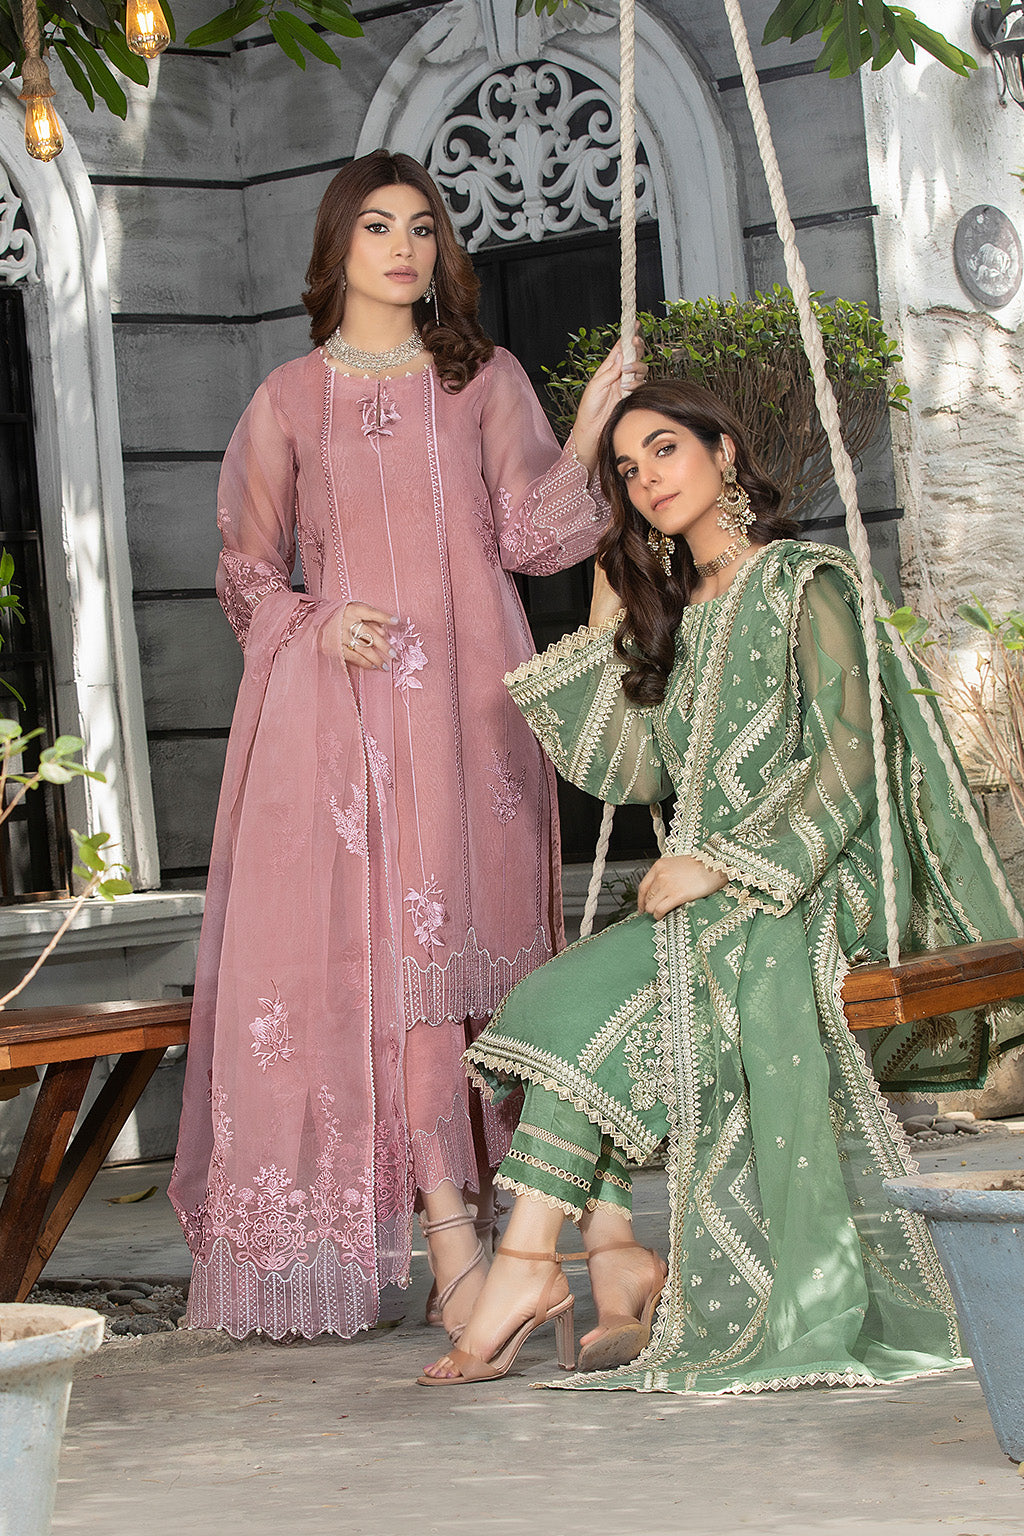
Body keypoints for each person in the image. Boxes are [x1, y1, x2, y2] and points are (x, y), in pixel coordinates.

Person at [420, 378, 1024, 1389]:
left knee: (591, 1014)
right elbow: (630, 773)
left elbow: (849, 756)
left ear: (724, 452)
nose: (647, 478)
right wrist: (610, 603)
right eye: (627, 469)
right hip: (703, 893)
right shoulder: (676, 612)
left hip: (811, 880)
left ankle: (533, 1270)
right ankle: (577, 1262)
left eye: (665, 449)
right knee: (555, 1006)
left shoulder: (804, 580)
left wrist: (729, 863)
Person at [167, 149, 644, 1342]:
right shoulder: (286, 400)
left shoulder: (483, 379)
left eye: (423, 228)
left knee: (499, 970)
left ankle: (542, 1230)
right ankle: (453, 1249)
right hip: (354, 728)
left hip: (478, 716)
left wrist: (591, 425)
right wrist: (317, 624)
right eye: (377, 226)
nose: (402, 249)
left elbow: (536, 541)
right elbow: (244, 574)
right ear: (336, 247)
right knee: (404, 973)